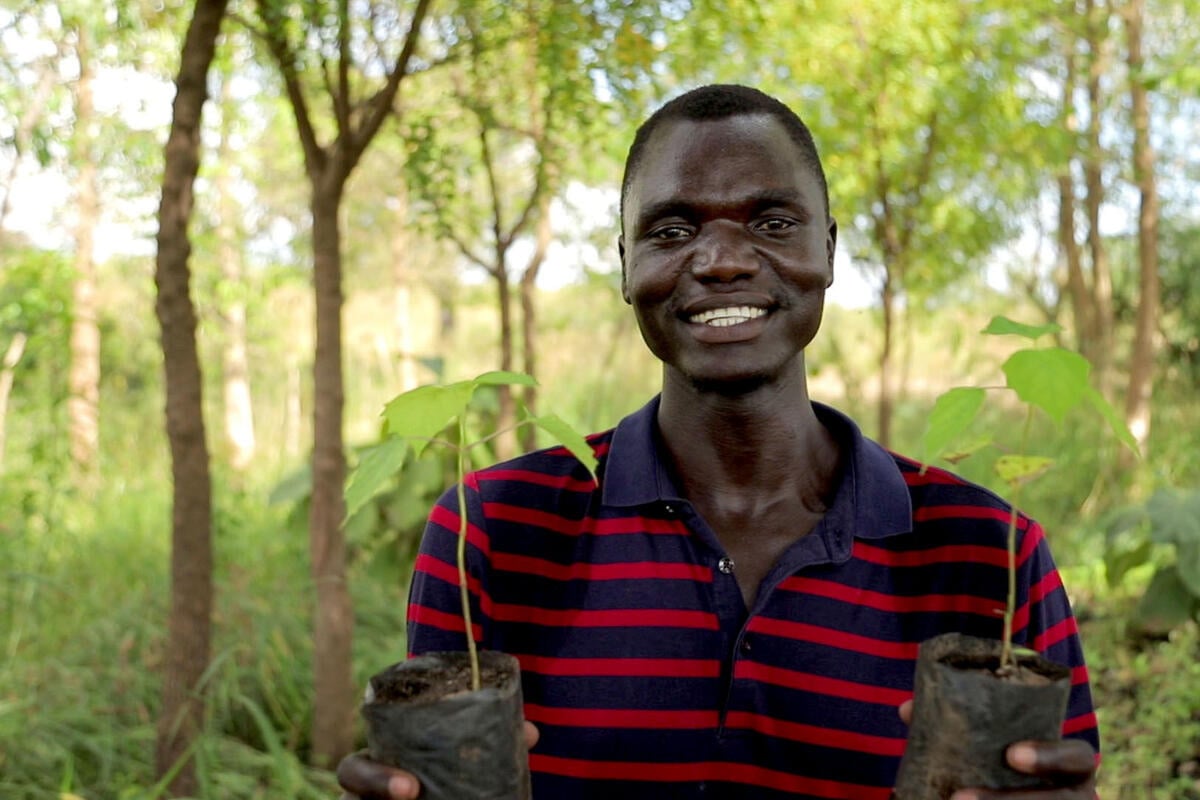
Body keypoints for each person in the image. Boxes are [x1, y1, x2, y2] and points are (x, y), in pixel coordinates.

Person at [339, 84, 1099, 800]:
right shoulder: (493, 528)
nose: (725, 260)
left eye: (773, 223)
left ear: (829, 251)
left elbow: (1055, 778)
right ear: (627, 266)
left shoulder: (988, 549)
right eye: (673, 232)